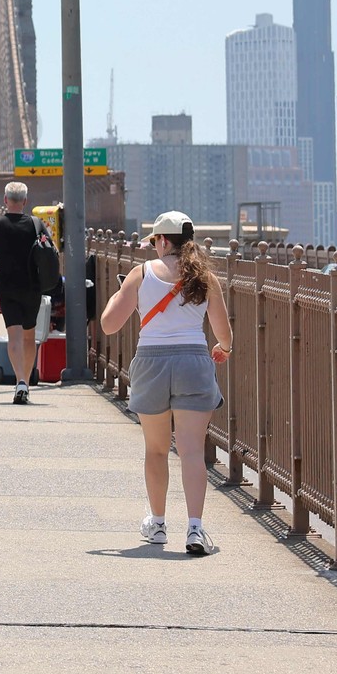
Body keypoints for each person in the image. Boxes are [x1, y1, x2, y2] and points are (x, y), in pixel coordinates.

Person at [98, 211, 231, 556]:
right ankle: (196, 529)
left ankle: (157, 523)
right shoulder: (205, 278)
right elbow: (223, 332)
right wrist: (223, 349)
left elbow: (109, 324)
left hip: (152, 362)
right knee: (190, 451)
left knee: (156, 450)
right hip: (193, 361)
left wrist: (117, 296)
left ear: (161, 240)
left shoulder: (142, 274)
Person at [0, 181, 53, 405]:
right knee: (30, 336)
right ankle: (26, 383)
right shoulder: (36, 224)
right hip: (32, 287)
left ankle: (19, 380)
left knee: (14, 335)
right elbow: (50, 253)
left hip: (7, 288)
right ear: (25, 201)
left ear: (5, 200)